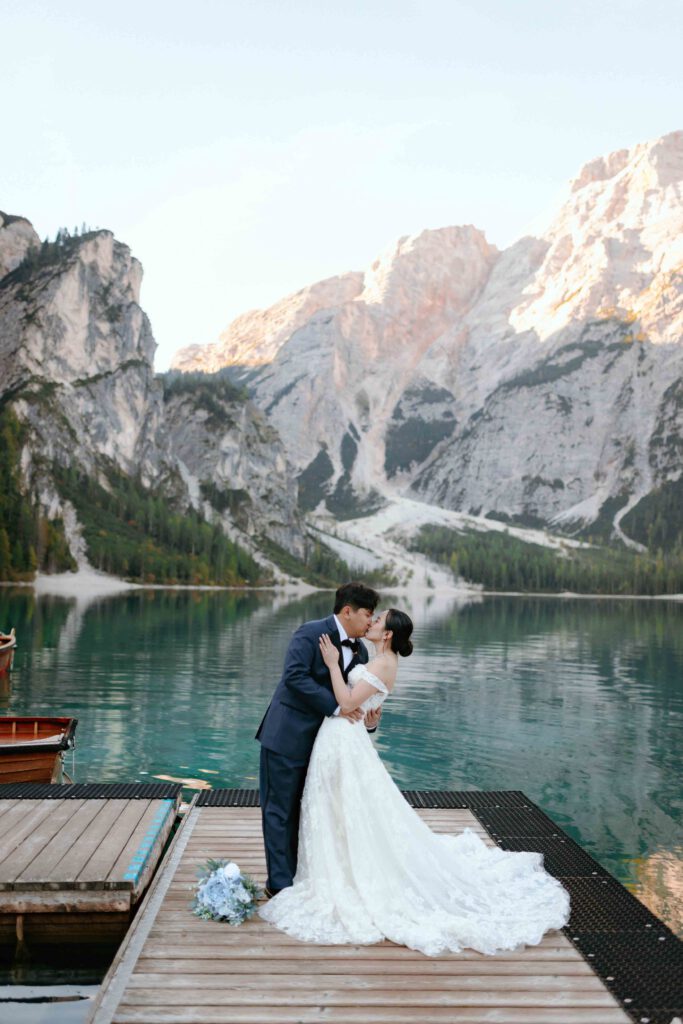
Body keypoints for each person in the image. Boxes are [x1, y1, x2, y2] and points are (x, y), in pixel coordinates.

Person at [259, 607, 571, 956]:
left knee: (345, 807)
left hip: (342, 741)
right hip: (338, 740)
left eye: (378, 620)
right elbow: (364, 711)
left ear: (388, 633)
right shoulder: (370, 656)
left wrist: (333, 665)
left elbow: (347, 702)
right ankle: (321, 867)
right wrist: (370, 717)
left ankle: (342, 875)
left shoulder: (380, 661)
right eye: (370, 616)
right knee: (333, 808)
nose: (372, 622)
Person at [255, 581, 381, 897]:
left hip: (327, 747)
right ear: (348, 611)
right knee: (280, 811)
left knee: (312, 809)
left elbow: (355, 698)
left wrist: (366, 721)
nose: (370, 622)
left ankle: (306, 876)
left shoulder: (362, 650)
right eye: (368, 614)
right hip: (287, 736)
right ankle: (280, 886)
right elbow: (294, 677)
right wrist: (339, 706)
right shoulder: (310, 633)